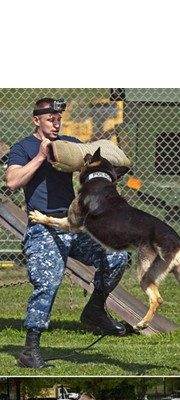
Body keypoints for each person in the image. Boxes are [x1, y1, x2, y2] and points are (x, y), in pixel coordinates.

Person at [6, 97, 129, 369]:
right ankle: (30, 349)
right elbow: (13, 181)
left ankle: (95, 309)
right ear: (36, 120)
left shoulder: (69, 144)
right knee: (48, 282)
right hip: (43, 227)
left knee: (116, 255)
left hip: (72, 226)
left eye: (59, 118)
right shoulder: (23, 148)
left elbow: (97, 160)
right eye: (50, 119)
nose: (56, 122)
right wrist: (40, 156)